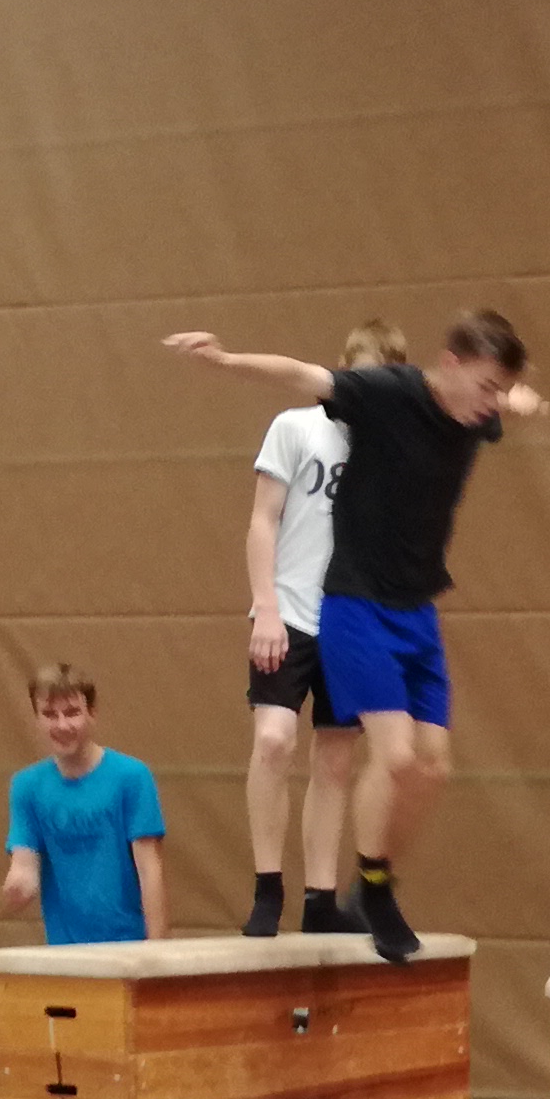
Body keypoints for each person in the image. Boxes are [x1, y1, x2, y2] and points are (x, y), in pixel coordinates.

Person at [165, 308, 542, 961]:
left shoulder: (471, 414)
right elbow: (297, 375)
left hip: (414, 609)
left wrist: (516, 400)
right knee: (362, 752)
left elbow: (497, 399)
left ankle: (358, 888)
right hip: (345, 604)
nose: (491, 402)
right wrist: (226, 360)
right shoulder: (377, 399)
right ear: (448, 365)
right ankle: (332, 885)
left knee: (426, 765)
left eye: (496, 391)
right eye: (486, 387)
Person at [236, 324, 397, 937]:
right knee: (274, 740)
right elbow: (263, 521)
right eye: (360, 378)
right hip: (291, 612)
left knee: (334, 759)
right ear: (341, 373)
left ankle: (320, 898)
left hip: (351, 620)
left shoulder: (390, 450)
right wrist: (266, 606)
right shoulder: (297, 428)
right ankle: (267, 885)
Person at [0, 662, 167, 946]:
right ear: (37, 719)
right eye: (50, 715)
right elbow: (24, 864)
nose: (62, 725)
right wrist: (18, 886)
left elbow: (150, 869)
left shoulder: (131, 777)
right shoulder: (26, 786)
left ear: (92, 713)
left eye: (72, 713)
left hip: (129, 948)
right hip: (66, 955)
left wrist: (156, 950)